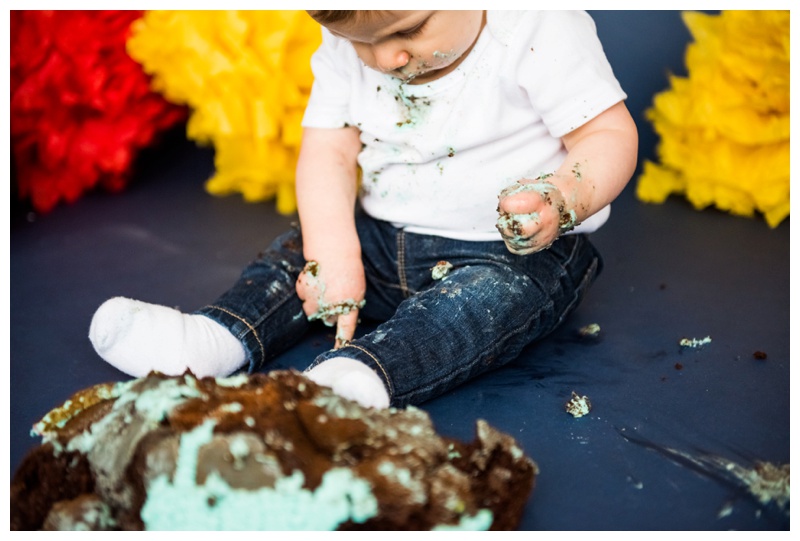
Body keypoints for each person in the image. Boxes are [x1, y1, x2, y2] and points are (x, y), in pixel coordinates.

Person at [88, 10, 638, 409]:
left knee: (483, 308)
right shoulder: (349, 49)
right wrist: (332, 252)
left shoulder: (538, 26)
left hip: (511, 251)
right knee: (297, 254)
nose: (385, 58)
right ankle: (218, 337)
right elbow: (328, 151)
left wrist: (565, 195)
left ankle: (363, 372)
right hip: (381, 238)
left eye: (409, 30)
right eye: (358, 41)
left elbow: (607, 133)